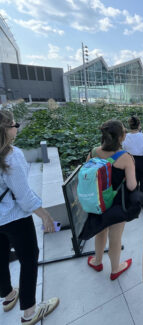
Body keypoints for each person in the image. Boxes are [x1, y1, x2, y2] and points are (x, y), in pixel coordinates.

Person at [0, 110, 59, 324]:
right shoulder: (11, 155)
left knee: (1, 255)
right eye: (14, 125)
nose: (17, 128)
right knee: (28, 258)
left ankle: (7, 295)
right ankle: (30, 311)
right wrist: (44, 215)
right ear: (5, 131)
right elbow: (23, 195)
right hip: (14, 218)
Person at [84, 120, 136, 280]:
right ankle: (115, 269)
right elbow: (132, 185)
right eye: (124, 132)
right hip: (117, 205)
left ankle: (97, 261)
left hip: (97, 203)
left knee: (100, 232)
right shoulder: (126, 158)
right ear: (121, 137)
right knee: (115, 238)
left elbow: (86, 177)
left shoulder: (93, 152)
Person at [123, 115, 143, 212]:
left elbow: (123, 147)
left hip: (130, 162)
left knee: (132, 185)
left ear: (129, 125)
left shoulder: (126, 137)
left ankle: (133, 205)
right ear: (139, 125)